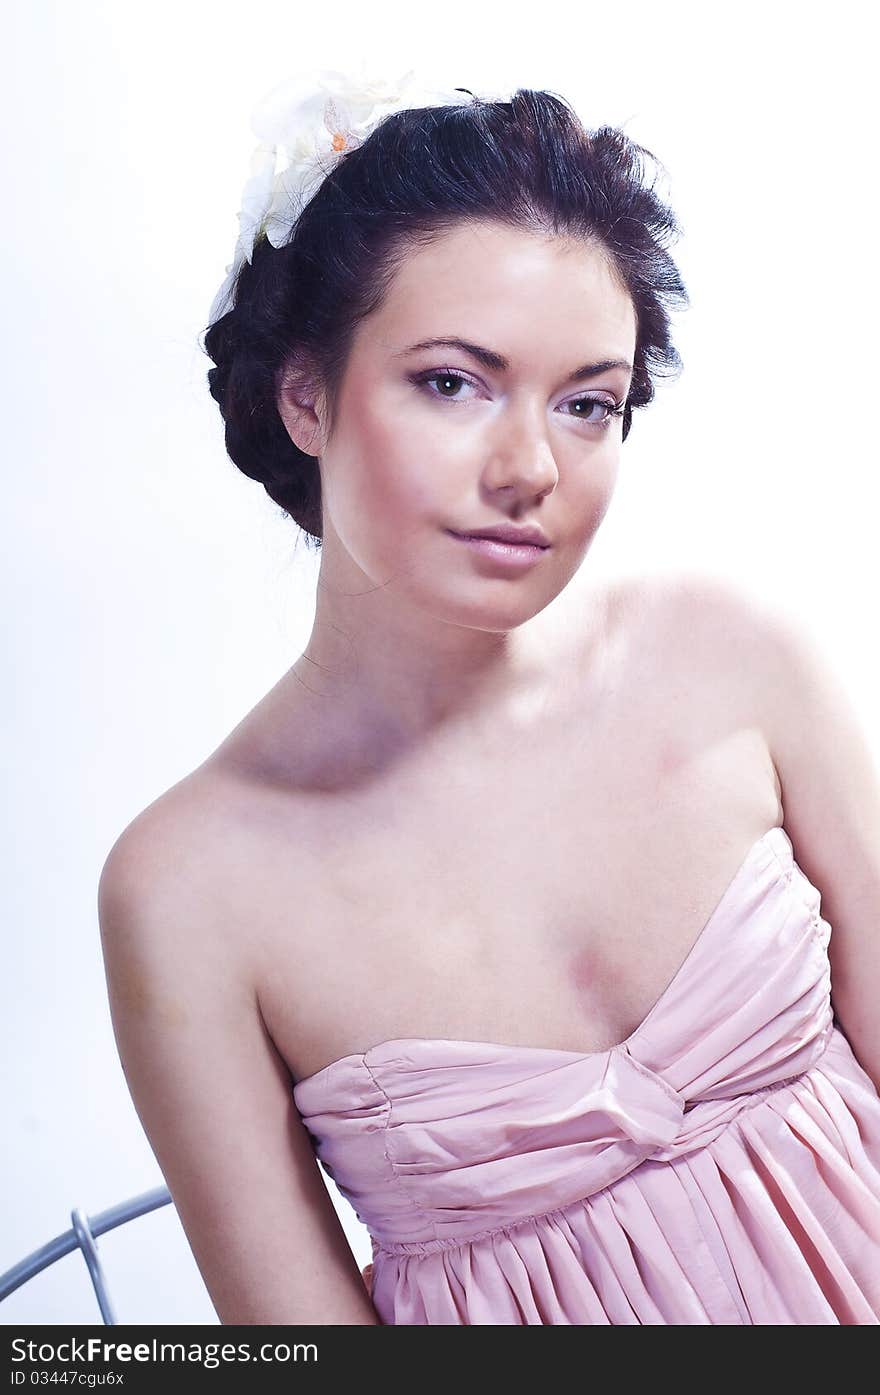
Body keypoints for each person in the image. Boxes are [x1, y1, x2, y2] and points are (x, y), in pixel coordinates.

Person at [97, 67, 880, 1326]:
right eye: (452, 383)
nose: (530, 470)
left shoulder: (733, 654)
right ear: (307, 395)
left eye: (588, 404)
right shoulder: (186, 888)